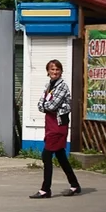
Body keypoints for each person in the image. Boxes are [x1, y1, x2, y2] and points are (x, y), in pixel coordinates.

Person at [29, 59, 82, 199]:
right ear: (48, 71)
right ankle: (75, 185)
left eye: (57, 69)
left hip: (59, 125)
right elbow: (40, 105)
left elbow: (51, 106)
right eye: (52, 69)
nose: (55, 72)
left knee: (46, 155)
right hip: (50, 124)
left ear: (61, 71)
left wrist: (46, 105)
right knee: (61, 156)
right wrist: (46, 105)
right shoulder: (49, 86)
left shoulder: (62, 86)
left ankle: (45, 189)